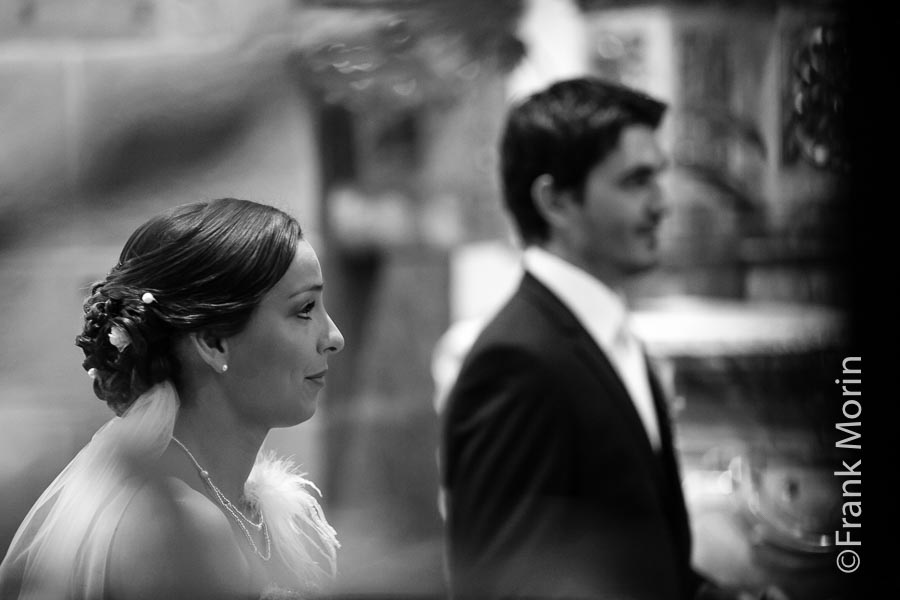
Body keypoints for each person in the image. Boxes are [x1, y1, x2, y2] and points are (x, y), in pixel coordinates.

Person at [439, 78, 789, 600]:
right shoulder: (516, 362)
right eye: (636, 181)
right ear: (555, 200)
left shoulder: (607, 335)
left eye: (658, 178)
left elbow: (644, 563)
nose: (662, 205)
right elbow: (503, 583)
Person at [0, 198, 345, 599]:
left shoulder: (267, 513)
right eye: (305, 309)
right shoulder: (174, 530)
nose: (334, 337)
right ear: (213, 342)